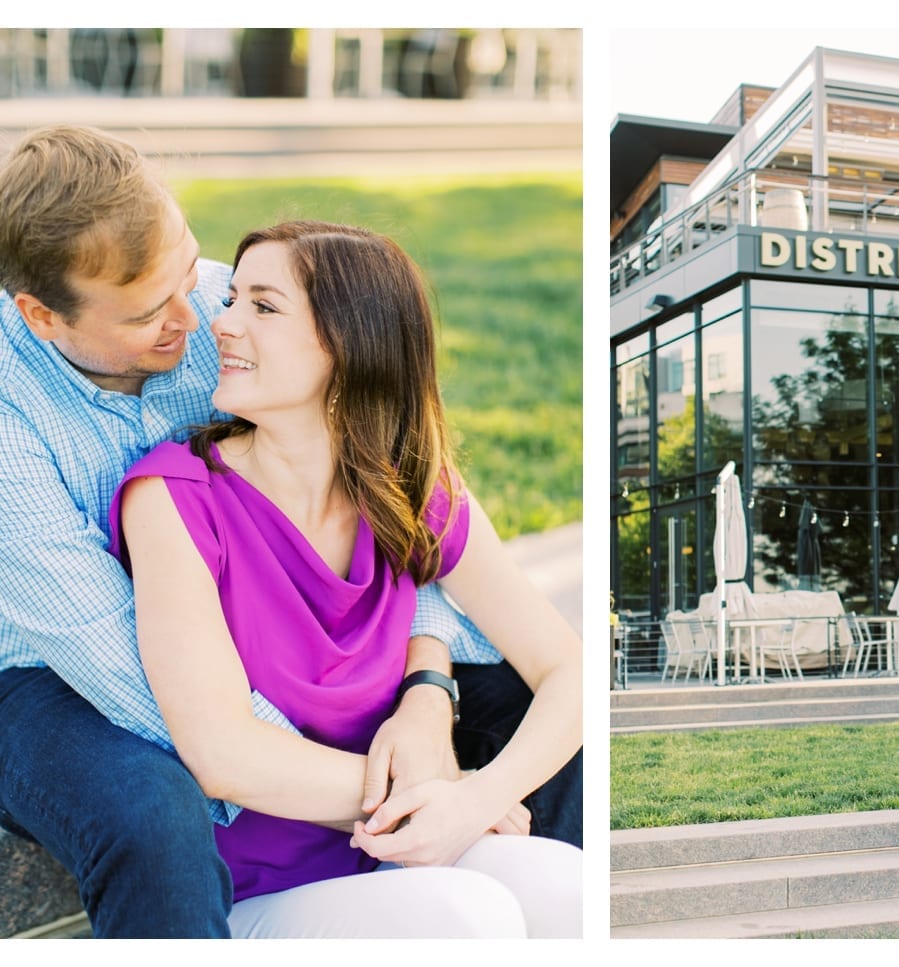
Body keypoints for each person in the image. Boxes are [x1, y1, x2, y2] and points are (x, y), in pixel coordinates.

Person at [0, 124, 579, 937]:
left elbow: (400, 495)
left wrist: (423, 689)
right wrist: (399, 792)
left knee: (523, 699)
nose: (196, 321)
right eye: (146, 313)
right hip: (46, 674)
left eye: (188, 274)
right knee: (149, 809)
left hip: (251, 630)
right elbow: (141, 681)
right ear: (43, 315)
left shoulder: (224, 309)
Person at [108, 220, 581, 937]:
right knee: (468, 916)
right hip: (256, 888)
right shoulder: (173, 496)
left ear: (349, 343)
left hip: (396, 852)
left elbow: (569, 669)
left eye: (262, 307)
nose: (222, 322)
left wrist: (481, 795)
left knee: (570, 888)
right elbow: (221, 754)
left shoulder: (413, 492)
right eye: (232, 297)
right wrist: (436, 792)